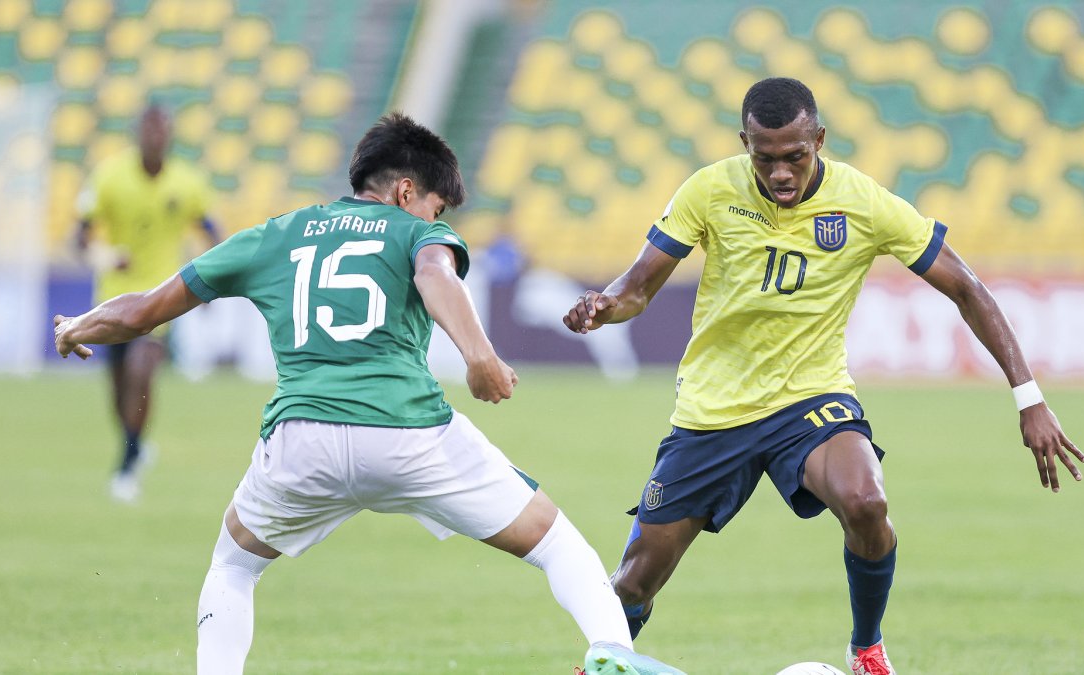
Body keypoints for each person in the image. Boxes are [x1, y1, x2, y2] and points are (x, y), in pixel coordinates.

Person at [54, 113, 683, 675]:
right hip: (408, 433)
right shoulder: (414, 235)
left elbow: (144, 309)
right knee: (555, 543)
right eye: (437, 209)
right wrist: (479, 356)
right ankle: (610, 654)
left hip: (301, 441)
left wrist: (79, 326)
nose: (436, 222)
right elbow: (436, 274)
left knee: (233, 567)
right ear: (408, 191)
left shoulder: (277, 233)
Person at [562, 78, 1084, 675]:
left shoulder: (862, 202)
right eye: (765, 159)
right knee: (633, 584)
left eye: (795, 156)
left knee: (866, 501)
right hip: (714, 410)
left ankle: (866, 649)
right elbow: (635, 290)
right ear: (745, 144)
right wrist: (602, 306)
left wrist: (1029, 397)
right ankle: (601, 663)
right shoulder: (709, 190)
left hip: (809, 399)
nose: (781, 173)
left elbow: (966, 287)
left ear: (819, 140)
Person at [76, 103, 220, 502]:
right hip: (113, 296)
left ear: (170, 136)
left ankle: (126, 465)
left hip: (160, 296)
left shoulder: (188, 182)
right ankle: (134, 442)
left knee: (143, 367)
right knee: (119, 384)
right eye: (150, 130)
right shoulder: (109, 177)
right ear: (138, 134)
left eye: (163, 131)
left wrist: (213, 280)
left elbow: (212, 231)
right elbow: (81, 236)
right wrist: (105, 256)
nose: (157, 138)